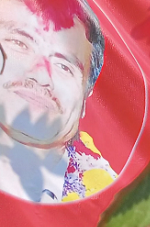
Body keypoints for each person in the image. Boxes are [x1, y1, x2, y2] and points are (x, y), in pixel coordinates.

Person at [0, 0, 117, 203]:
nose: (42, 77)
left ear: (86, 96)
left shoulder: (113, 211)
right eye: (20, 44)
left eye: (64, 66)